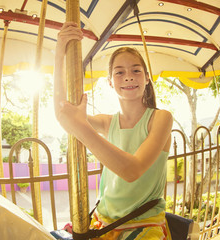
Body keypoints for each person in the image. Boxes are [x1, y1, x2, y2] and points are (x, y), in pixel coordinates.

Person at [54, 22, 173, 240]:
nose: (128, 76)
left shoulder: (160, 118)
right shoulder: (107, 122)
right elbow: (63, 113)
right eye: (120, 72)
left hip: (143, 223)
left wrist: (81, 127)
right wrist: (59, 53)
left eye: (136, 70)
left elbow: (132, 170)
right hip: (104, 221)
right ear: (110, 82)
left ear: (147, 78)